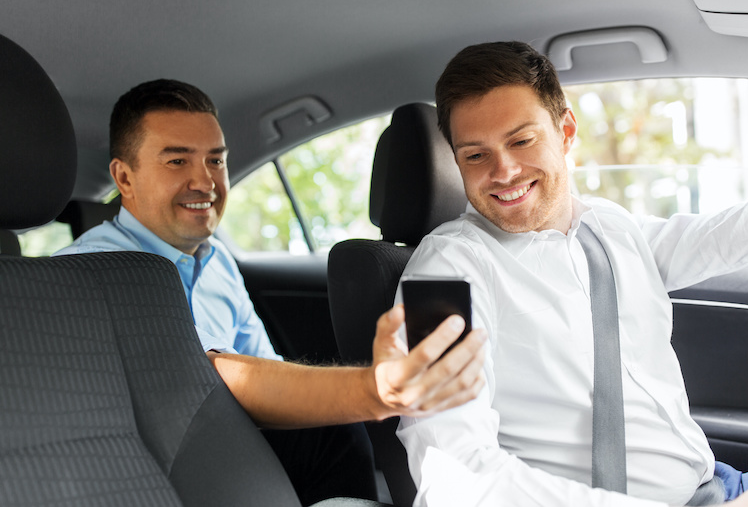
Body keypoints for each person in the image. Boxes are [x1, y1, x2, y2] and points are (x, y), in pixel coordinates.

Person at [395, 41, 748, 507]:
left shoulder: (609, 228)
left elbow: (743, 230)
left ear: (565, 131)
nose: (503, 171)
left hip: (719, 487)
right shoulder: (441, 276)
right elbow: (453, 472)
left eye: (521, 140)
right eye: (475, 156)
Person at [54, 79, 487, 506]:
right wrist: (370, 391)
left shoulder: (218, 261)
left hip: (225, 447)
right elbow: (198, 384)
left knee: (328, 430)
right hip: (144, 467)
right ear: (124, 178)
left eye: (215, 161)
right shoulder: (90, 271)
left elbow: (260, 363)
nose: (204, 181)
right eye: (177, 162)